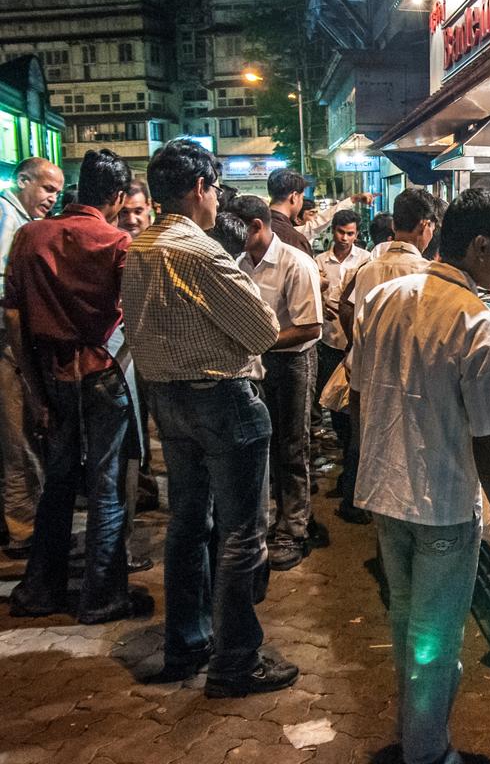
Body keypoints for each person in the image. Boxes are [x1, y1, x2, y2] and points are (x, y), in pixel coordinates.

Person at [349, 188, 490, 764]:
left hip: (384, 491)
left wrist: (375, 458)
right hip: (443, 502)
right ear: (479, 245)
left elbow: (357, 396)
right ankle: (426, 753)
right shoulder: (480, 324)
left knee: (406, 623)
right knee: (436, 637)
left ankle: (415, 733)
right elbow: (489, 438)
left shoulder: (380, 298)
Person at [122, 138, 298, 697]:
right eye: (216, 190)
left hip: (168, 402)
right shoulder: (198, 251)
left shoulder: (141, 245)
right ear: (199, 188)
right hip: (222, 401)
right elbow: (264, 331)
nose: (218, 202)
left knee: (187, 523)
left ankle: (187, 642)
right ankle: (235, 661)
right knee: (242, 534)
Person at [4, 149, 150, 623]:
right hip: (103, 371)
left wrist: (33, 384)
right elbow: (137, 317)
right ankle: (102, 597)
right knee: (107, 486)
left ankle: (40, 590)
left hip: (50, 372)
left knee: (58, 482)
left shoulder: (28, 236)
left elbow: (14, 316)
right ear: (116, 196)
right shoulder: (116, 244)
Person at [233, 194, 325, 571]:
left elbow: (310, 327)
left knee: (292, 445)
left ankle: (293, 528)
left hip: (292, 363)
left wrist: (260, 340)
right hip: (254, 365)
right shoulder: (239, 263)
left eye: (239, 231)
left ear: (257, 226)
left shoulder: (294, 263)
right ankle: (270, 519)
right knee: (261, 444)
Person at [338, 188, 440, 524]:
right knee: (403, 454)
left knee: (366, 442)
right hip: (409, 378)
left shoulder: (368, 267)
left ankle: (369, 510)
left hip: (364, 373)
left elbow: (346, 305)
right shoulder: (425, 272)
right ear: (425, 225)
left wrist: (357, 343)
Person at [0, 157, 62, 557]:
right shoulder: (10, 223)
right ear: (23, 181)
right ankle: (25, 531)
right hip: (7, 348)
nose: (52, 199)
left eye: (56, 191)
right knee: (17, 440)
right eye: (46, 189)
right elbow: (9, 301)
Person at [116, 178, 157, 574]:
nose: (130, 219)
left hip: (162, 364)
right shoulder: (109, 250)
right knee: (129, 451)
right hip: (122, 365)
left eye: (137, 211)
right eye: (124, 212)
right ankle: (121, 542)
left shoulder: (157, 250)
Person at [314, 209, 370, 498]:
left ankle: (351, 475)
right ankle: (348, 472)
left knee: (352, 413)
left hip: (354, 347)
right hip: (329, 343)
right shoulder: (318, 262)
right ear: (332, 231)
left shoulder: (365, 260)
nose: (345, 238)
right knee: (333, 408)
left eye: (350, 233)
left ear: (357, 234)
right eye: (340, 232)